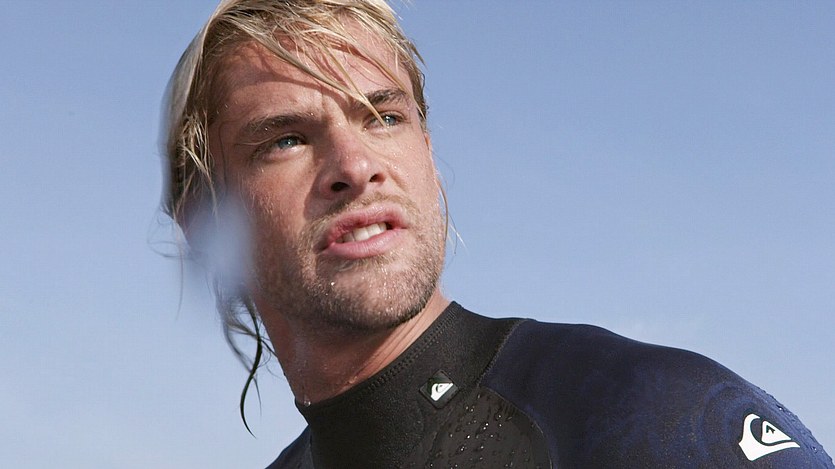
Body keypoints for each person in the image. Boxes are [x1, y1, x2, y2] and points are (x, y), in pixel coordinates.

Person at [161, 1, 833, 467]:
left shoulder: (653, 415)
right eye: (285, 139)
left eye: (383, 117)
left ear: (427, 151)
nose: (356, 166)